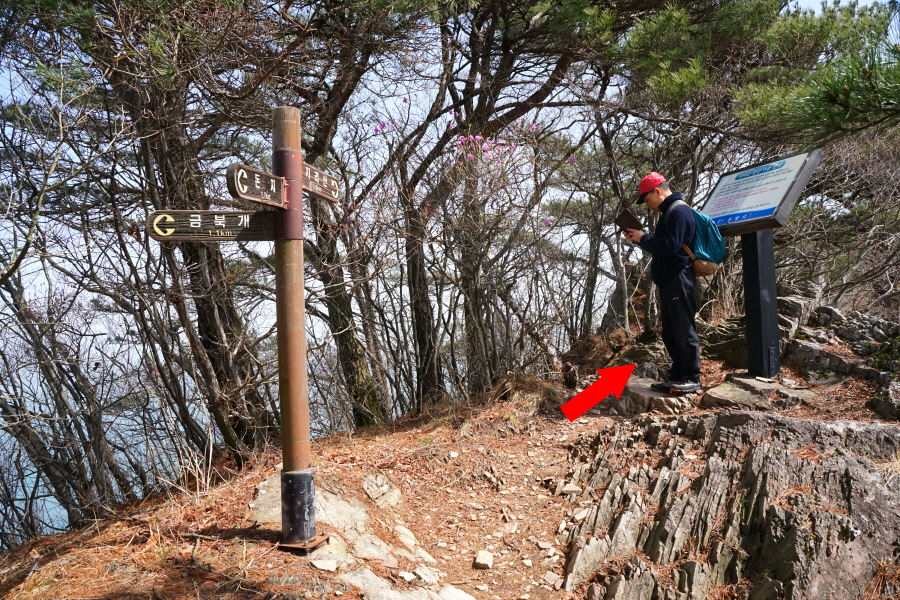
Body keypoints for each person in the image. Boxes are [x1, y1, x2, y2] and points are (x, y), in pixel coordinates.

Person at [622, 172, 702, 393]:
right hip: (671, 280)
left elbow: (670, 247)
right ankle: (678, 376)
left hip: (679, 278)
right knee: (671, 332)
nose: (648, 205)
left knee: (683, 329)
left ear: (657, 191)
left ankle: (692, 377)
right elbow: (665, 245)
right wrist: (642, 238)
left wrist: (644, 238)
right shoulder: (670, 212)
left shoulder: (679, 211)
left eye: (647, 199)